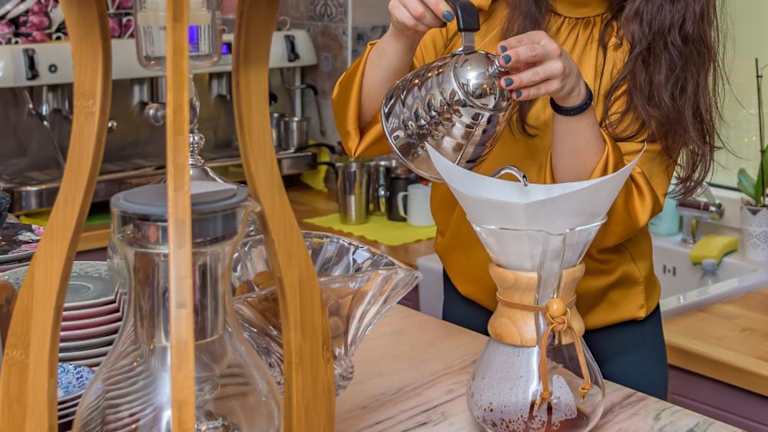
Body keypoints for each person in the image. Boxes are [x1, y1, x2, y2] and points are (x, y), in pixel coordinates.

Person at [332, 0, 721, 400]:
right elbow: (370, 126)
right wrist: (403, 32)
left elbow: (594, 219)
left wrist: (573, 99)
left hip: (605, 338)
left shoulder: (657, 46)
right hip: (474, 314)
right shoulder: (480, 10)